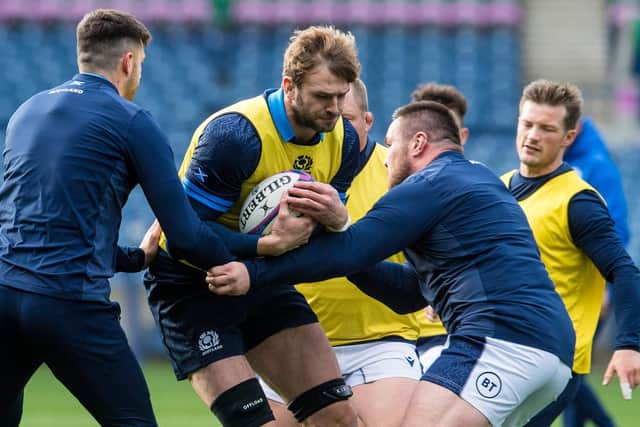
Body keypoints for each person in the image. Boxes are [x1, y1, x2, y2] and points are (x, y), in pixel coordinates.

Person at [207, 100, 577, 427]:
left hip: (499, 343)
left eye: (392, 142)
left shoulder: (430, 184)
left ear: (418, 143)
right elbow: (408, 295)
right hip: (553, 356)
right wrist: (341, 236)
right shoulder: (478, 180)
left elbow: (352, 250)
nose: (386, 155)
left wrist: (253, 272)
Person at [0, 9, 240, 427]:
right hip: (69, 303)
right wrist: (249, 258)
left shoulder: (27, 111)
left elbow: (42, 230)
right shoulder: (132, 121)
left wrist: (133, 258)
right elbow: (183, 235)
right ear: (129, 62)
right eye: (141, 65)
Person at [144, 26, 362, 427]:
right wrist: (264, 247)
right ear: (289, 86)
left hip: (263, 280)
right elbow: (182, 237)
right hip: (191, 287)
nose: (333, 108)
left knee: (339, 419)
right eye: (321, 96)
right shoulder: (235, 137)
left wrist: (338, 221)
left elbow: (326, 238)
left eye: (341, 96)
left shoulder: (345, 142)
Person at [259, 79, 422, 427]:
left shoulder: (399, 174)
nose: (334, 130)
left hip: (381, 342)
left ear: (368, 121)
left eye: (345, 120)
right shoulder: (286, 171)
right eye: (327, 118)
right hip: (294, 338)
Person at [500, 79, 640, 426]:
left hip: (554, 359)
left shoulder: (579, 198)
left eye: (546, 128)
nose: (532, 135)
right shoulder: (498, 187)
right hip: (502, 349)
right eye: (527, 124)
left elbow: (623, 268)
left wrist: (628, 344)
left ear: (568, 137)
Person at [562, 117, 629, 427]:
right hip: (565, 287)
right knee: (571, 371)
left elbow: (615, 229)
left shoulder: (595, 165)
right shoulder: (565, 160)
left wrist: (603, 286)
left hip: (591, 288)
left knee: (567, 371)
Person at [409, 82, 469, 367]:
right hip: (393, 335)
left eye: (447, 129)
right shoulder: (392, 186)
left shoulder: (477, 192)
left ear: (462, 136)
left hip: (449, 334)